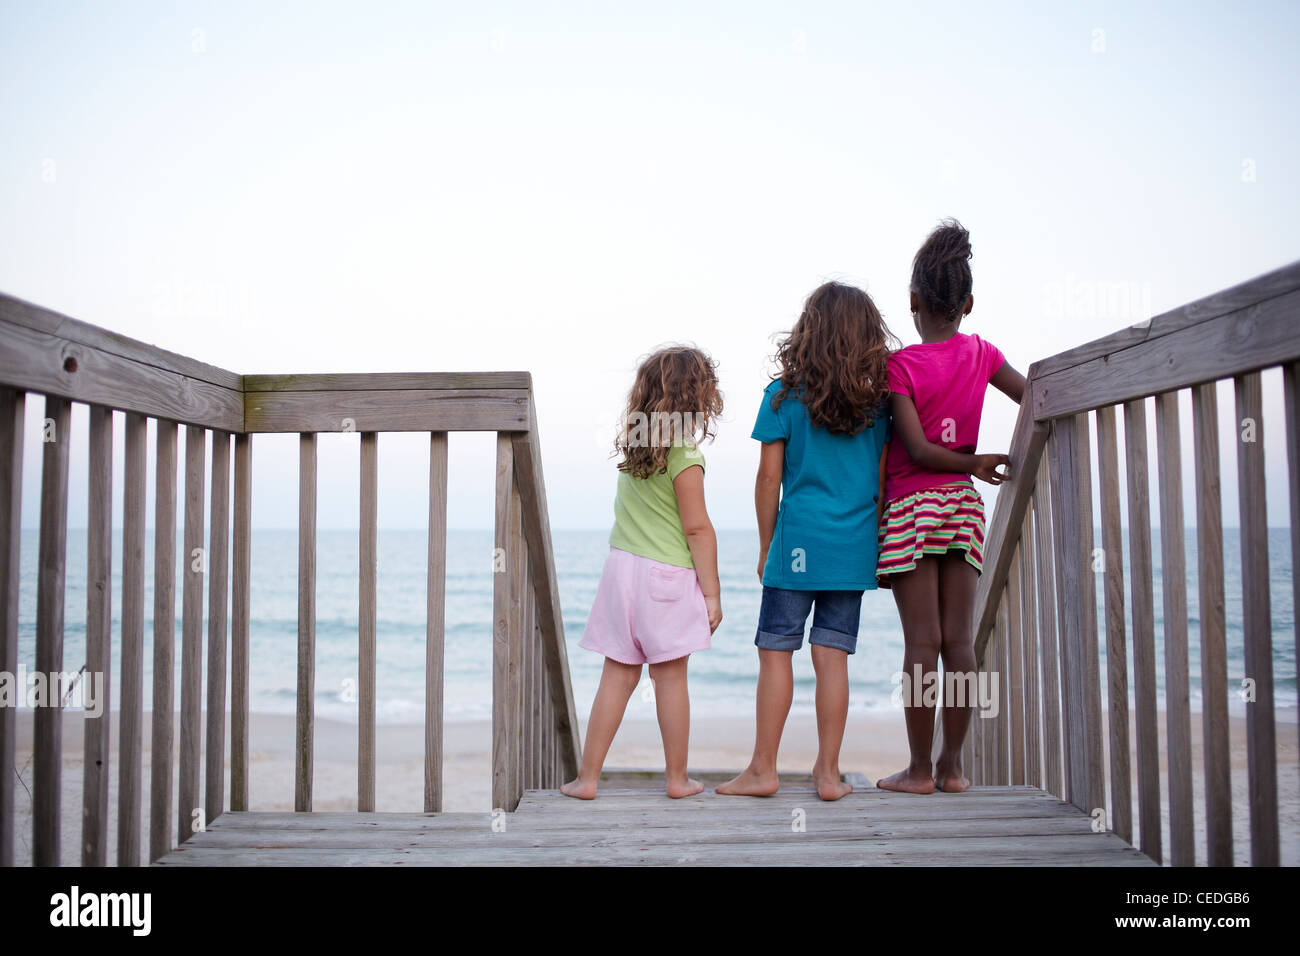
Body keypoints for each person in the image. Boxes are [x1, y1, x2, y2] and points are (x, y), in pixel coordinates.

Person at [717, 281, 892, 802]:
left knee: (775, 653)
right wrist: (874, 544)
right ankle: (828, 773)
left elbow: (769, 480)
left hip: (796, 545)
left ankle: (763, 770)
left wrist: (768, 546)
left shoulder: (783, 395)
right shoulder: (879, 402)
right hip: (853, 548)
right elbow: (881, 484)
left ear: (807, 332)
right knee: (832, 656)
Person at [875, 218, 1026, 794]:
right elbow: (1033, 392)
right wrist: (985, 460)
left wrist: (969, 461)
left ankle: (917, 770)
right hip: (961, 508)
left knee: (923, 643)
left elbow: (913, 448)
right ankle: (953, 767)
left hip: (913, 507)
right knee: (959, 642)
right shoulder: (982, 352)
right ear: (968, 304)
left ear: (912, 300)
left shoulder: (900, 367)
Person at [561, 345, 724, 800]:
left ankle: (587, 779)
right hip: (665, 578)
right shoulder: (684, 453)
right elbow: (696, 527)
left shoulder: (637, 451)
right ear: (697, 397)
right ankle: (677, 779)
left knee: (617, 674)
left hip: (620, 573)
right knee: (669, 678)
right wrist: (711, 593)